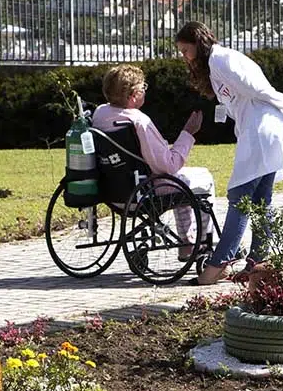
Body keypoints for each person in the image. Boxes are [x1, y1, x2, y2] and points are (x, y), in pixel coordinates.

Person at [173, 22, 283, 285]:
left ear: (197, 43)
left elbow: (258, 91)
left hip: (262, 131)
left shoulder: (221, 59)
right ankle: (257, 262)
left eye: (185, 50)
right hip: (261, 130)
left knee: (240, 196)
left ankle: (220, 262)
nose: (184, 57)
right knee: (261, 200)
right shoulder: (217, 62)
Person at [91, 64, 213, 261]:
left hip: (115, 192)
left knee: (183, 181)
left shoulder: (100, 114)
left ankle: (188, 241)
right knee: (202, 179)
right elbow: (169, 165)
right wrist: (188, 133)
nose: (144, 91)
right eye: (142, 88)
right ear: (133, 95)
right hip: (145, 190)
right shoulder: (139, 121)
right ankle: (197, 242)